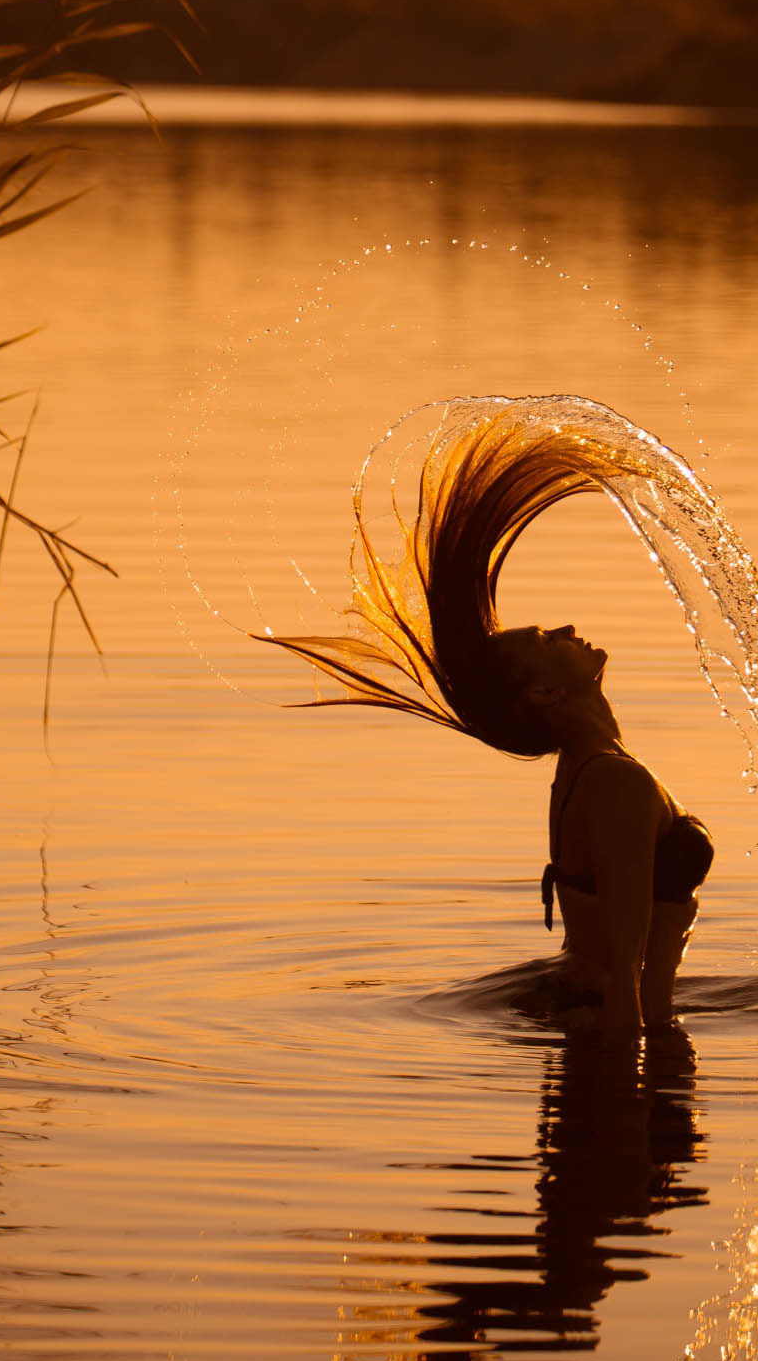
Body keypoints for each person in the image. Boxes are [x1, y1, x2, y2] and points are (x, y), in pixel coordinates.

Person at [264, 404, 712, 1030]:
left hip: (591, 1023)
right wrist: (632, 1086)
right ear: (545, 695)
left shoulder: (591, 771)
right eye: (547, 639)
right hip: (611, 1041)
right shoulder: (615, 783)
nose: (567, 628)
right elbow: (626, 975)